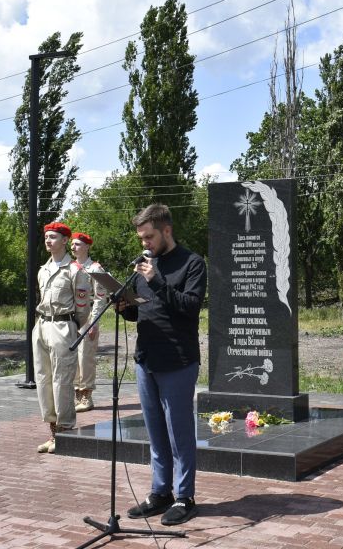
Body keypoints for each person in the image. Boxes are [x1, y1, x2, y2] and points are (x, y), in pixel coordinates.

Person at [120, 204, 206, 526]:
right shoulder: (144, 266)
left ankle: (185, 496)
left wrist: (156, 280)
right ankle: (160, 492)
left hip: (178, 360)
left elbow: (189, 307)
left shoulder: (193, 263)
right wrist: (121, 304)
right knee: (155, 432)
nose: (145, 244)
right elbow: (139, 312)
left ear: (166, 231)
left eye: (149, 237)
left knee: (178, 432)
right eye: (141, 238)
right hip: (146, 359)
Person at [33, 221, 92, 454]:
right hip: (42, 324)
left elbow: (83, 308)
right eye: (47, 237)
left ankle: (65, 432)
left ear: (65, 241)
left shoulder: (75, 270)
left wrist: (71, 325)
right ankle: (53, 431)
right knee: (43, 379)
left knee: (62, 381)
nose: (49, 241)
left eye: (54, 237)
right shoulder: (43, 269)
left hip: (62, 324)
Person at [70, 232, 109, 413]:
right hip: (70, 319)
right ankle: (76, 394)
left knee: (85, 358)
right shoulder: (69, 267)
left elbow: (100, 298)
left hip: (87, 319)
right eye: (72, 244)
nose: (73, 247)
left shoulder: (95, 268)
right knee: (71, 359)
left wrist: (93, 323)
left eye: (77, 244)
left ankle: (86, 396)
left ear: (86, 247)